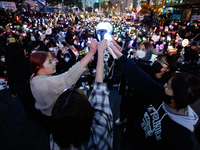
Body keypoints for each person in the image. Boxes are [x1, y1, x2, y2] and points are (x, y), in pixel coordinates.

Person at [109, 40, 200, 150]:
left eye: (168, 87)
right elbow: (139, 75)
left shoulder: (180, 136)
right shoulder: (163, 93)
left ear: (177, 98)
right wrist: (121, 55)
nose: (165, 86)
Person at [50, 39, 113, 150]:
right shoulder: (100, 127)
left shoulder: (54, 141)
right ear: (88, 112)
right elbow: (99, 84)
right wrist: (100, 52)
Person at [29, 39, 97, 134]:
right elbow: (70, 76)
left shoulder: (33, 77)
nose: (54, 64)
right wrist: (90, 53)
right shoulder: (48, 83)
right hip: (55, 117)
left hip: (44, 115)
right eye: (50, 62)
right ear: (38, 67)